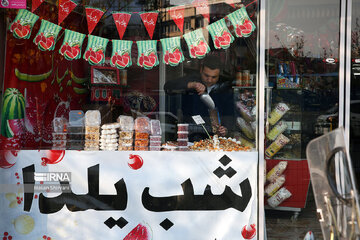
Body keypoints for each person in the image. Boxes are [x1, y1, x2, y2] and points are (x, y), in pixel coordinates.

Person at [164, 55, 233, 137]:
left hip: (215, 136)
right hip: (191, 133)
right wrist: (191, 85)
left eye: (214, 77)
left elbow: (230, 111)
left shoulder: (225, 85)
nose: (209, 80)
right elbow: (168, 87)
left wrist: (226, 128)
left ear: (219, 74)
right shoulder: (192, 79)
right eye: (206, 75)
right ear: (201, 70)